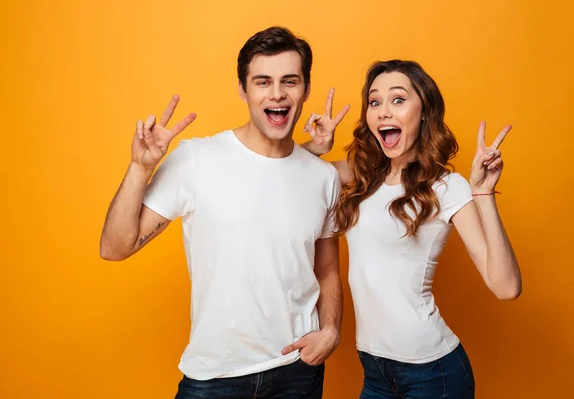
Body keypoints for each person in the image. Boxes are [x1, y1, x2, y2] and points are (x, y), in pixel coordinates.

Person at [99, 26, 350, 399]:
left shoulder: (322, 176)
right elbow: (114, 247)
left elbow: (328, 269)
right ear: (242, 88)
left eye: (290, 81)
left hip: (298, 373)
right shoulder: (196, 160)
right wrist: (140, 168)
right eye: (262, 81)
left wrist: (330, 330)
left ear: (305, 90)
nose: (277, 93)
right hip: (214, 377)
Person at [301, 59, 522, 398]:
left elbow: (506, 287)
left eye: (398, 100)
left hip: (432, 374)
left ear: (424, 113)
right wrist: (316, 147)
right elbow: (290, 173)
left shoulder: (446, 186)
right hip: (375, 370)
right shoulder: (361, 175)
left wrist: (484, 193)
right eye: (375, 102)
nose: (383, 112)